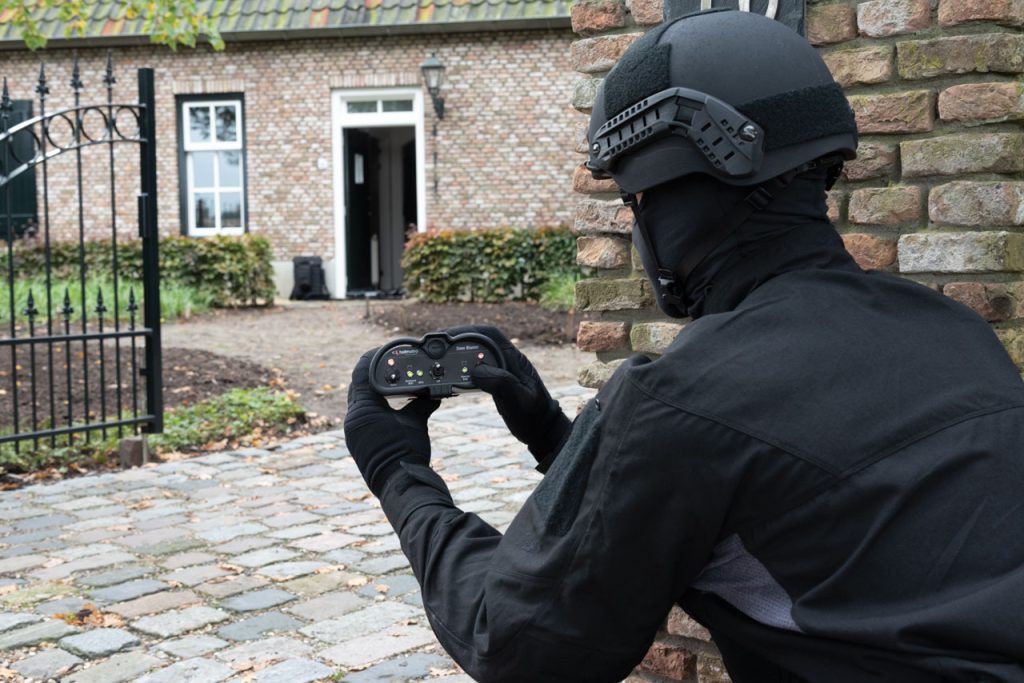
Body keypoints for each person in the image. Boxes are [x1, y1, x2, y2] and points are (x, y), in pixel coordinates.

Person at [345, 9, 1024, 682]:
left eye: (635, 201)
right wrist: (552, 433)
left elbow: (514, 641)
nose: (638, 227)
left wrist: (397, 470)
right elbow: (723, 500)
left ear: (679, 194)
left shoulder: (686, 395)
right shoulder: (956, 331)